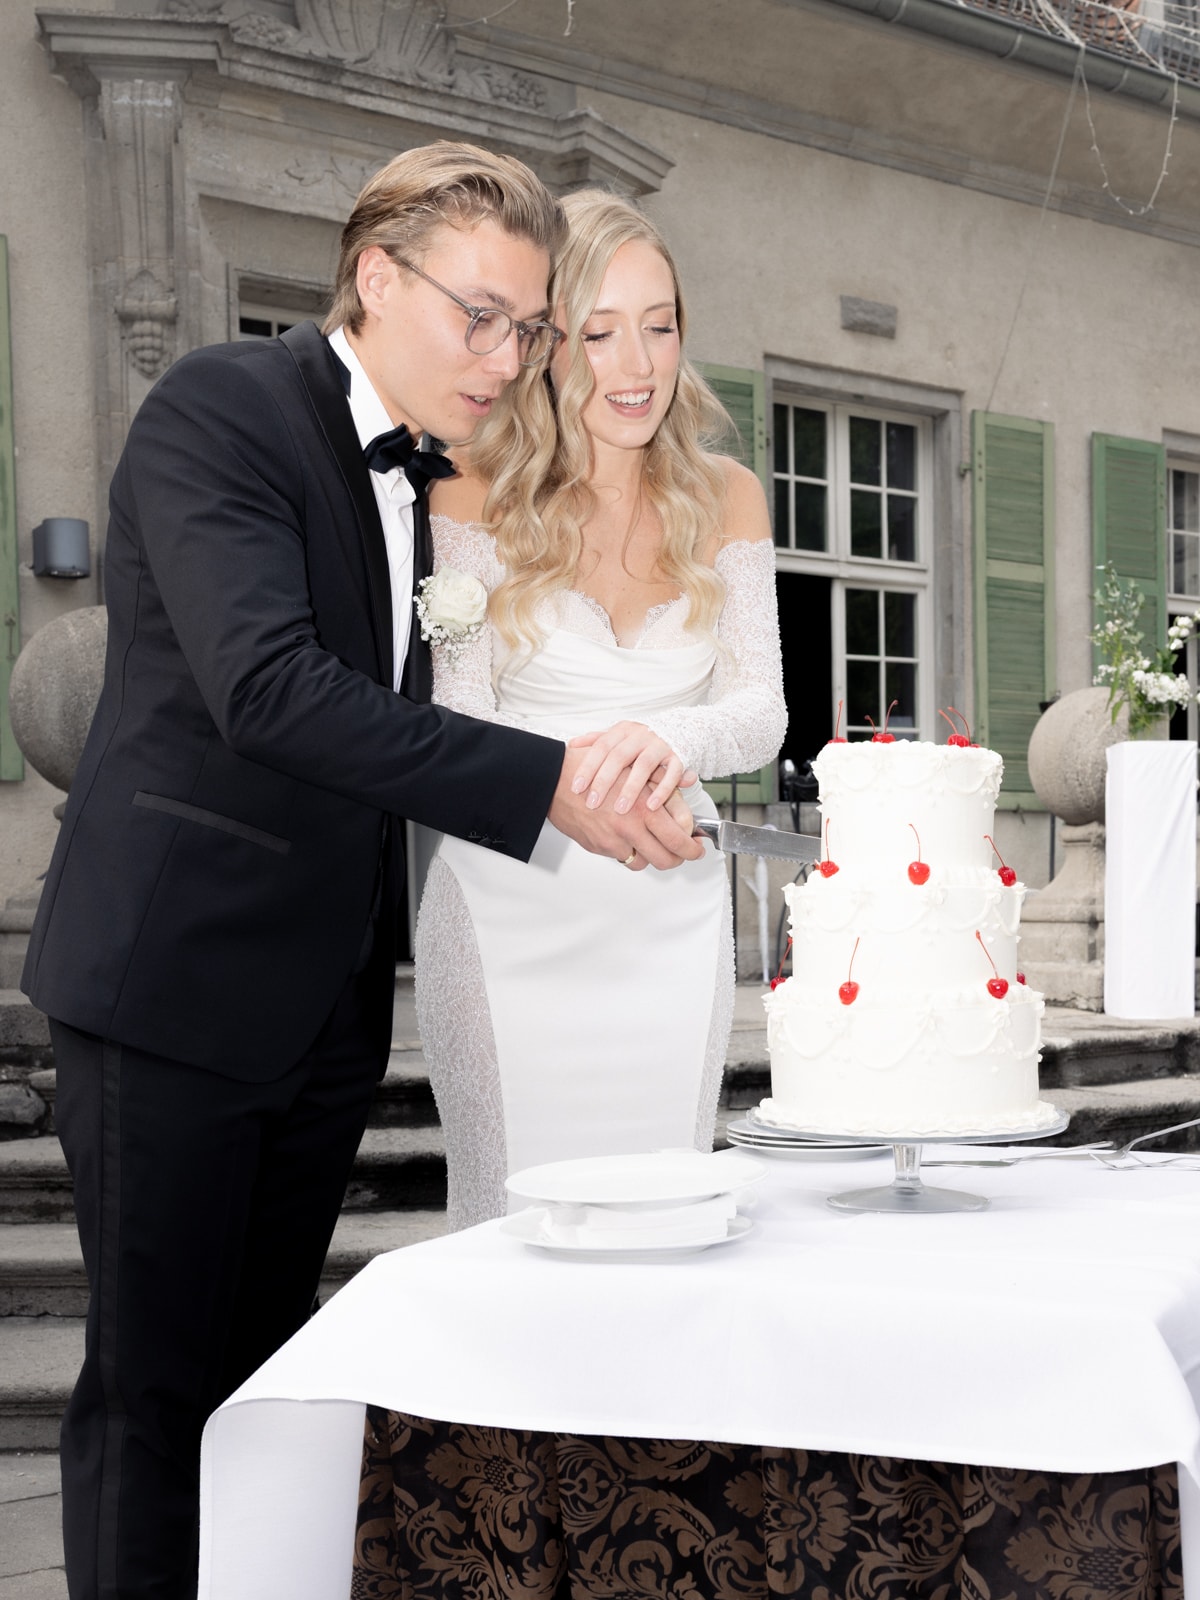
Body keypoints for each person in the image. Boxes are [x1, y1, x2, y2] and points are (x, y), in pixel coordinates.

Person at [20, 144, 703, 1600]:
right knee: (152, 1398)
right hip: (173, 984)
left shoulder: (438, 474)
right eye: (482, 317)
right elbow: (267, 690)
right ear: (376, 279)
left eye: (529, 328)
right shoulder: (224, 408)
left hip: (323, 1006)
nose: (509, 358)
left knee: (264, 1379)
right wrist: (554, 786)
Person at [416, 189, 787, 1229]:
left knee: (665, 1217)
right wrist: (577, 771)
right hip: (509, 906)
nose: (638, 366)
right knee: (505, 1220)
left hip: (671, 911)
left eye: (660, 326)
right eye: (600, 331)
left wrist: (666, 737)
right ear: (548, 345)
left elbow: (761, 710)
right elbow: (458, 717)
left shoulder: (729, 496)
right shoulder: (469, 489)